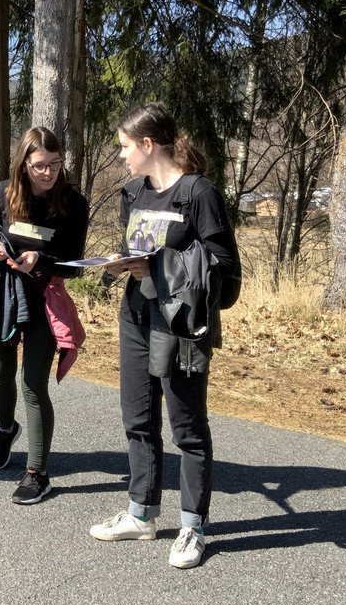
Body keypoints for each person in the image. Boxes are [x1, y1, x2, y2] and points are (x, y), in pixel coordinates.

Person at [89, 103, 238, 569]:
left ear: (148, 146)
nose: (121, 156)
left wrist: (157, 265)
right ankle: (141, 514)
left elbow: (226, 273)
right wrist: (121, 264)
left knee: (187, 429)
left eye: (125, 147)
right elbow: (138, 251)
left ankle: (192, 527)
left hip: (179, 325)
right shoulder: (133, 192)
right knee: (138, 419)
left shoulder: (198, 194)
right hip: (135, 316)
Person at [0, 127, 89, 504]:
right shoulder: (2, 193)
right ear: (24, 164)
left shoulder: (74, 203)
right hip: (4, 296)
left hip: (45, 299)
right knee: (0, 373)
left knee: (32, 384)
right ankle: (5, 428)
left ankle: (37, 472)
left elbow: (75, 265)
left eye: (55, 164)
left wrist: (40, 260)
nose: (48, 173)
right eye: (39, 166)